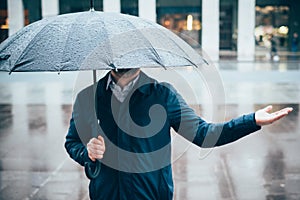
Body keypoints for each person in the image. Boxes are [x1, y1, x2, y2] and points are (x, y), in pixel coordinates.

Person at [65, 68, 292, 200]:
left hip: (150, 196)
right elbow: (72, 141)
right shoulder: (88, 98)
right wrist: (87, 153)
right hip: (107, 195)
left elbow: (204, 134)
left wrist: (251, 120)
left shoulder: (162, 95)